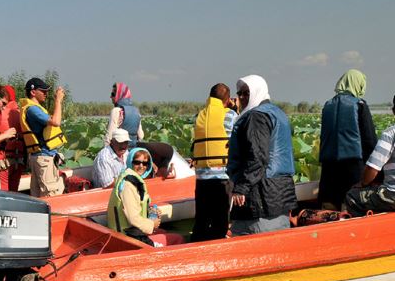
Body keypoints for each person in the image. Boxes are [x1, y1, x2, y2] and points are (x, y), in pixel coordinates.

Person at [228, 75, 297, 236]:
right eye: (240, 94)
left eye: (247, 93)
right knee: (279, 241)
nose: (243, 98)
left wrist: (241, 188)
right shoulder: (278, 113)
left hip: (261, 194)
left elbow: (258, 158)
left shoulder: (256, 117)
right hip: (280, 191)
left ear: (257, 92)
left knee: (251, 244)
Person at [318, 70, 378, 210]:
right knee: (351, 206)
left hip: (329, 168)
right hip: (353, 167)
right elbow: (369, 140)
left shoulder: (327, 105)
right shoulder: (359, 105)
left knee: (330, 207)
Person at [107, 147, 184, 247]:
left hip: (126, 232)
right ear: (130, 162)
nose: (141, 166)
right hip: (128, 238)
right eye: (137, 162)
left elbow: (132, 208)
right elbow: (133, 218)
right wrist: (152, 224)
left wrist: (149, 211)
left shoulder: (127, 177)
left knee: (162, 231)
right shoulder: (128, 185)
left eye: (145, 163)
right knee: (178, 239)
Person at [191, 83, 238, 241]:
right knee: (220, 223)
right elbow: (236, 141)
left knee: (202, 222)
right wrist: (235, 109)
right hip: (221, 180)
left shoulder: (200, 116)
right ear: (227, 100)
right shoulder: (230, 115)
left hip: (201, 179)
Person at [20, 78, 67, 197]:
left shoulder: (34, 108)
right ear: (33, 92)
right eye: (43, 91)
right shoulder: (33, 109)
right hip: (44, 158)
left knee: (37, 195)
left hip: (39, 157)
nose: (46, 94)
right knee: (50, 194)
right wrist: (58, 101)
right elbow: (56, 122)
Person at [0, 85, 25, 191]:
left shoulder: (1, 113)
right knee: (14, 191)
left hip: (4, 159)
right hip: (19, 159)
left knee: (3, 191)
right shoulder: (21, 113)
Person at [103, 82, 144, 148]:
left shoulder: (117, 111)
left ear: (119, 95)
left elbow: (109, 136)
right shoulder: (136, 111)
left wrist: (104, 151)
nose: (110, 97)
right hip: (132, 150)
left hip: (119, 150)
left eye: (113, 94)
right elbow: (141, 136)